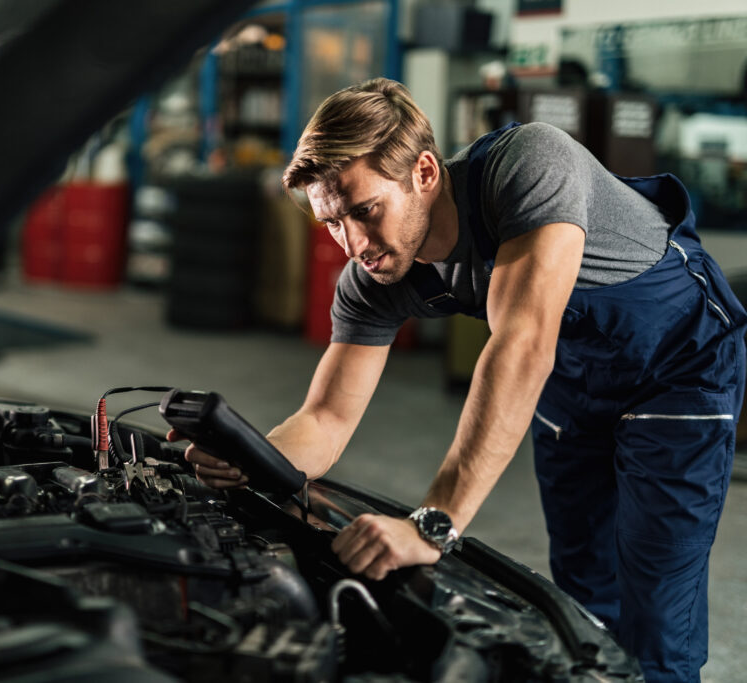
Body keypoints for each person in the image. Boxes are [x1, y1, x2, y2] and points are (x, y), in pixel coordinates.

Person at [170, 77, 744, 683]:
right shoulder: (374, 278)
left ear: (423, 172)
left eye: (365, 211)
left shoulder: (528, 166)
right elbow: (326, 419)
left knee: (656, 610)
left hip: (679, 364)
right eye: (333, 222)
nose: (353, 244)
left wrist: (432, 525)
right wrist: (250, 457)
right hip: (575, 378)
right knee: (583, 593)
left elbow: (522, 344)